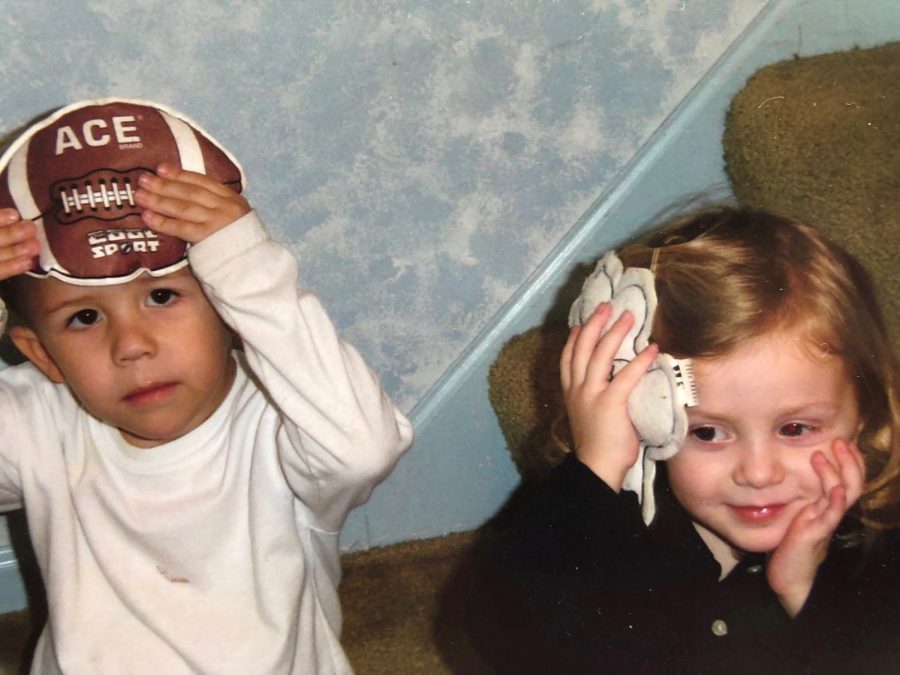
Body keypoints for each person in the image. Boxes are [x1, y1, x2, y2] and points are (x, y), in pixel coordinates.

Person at [0, 102, 413, 674]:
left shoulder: (283, 421)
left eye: (163, 296)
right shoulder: (34, 421)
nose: (132, 345)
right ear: (42, 352)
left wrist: (245, 264)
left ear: (227, 305)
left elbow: (365, 448)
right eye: (85, 318)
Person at [467, 206, 900, 674]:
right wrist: (597, 465)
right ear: (645, 416)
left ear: (862, 412)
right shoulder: (612, 525)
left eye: (795, 429)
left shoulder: (877, 547)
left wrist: (803, 589)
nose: (757, 473)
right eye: (708, 432)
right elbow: (504, 633)